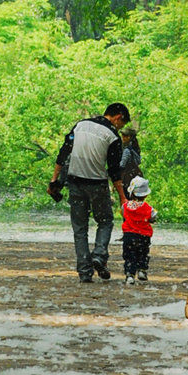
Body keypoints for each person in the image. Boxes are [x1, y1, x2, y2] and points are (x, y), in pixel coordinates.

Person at [48, 102, 131, 282]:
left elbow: (63, 153)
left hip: (75, 182)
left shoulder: (80, 125)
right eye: (122, 124)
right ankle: (99, 255)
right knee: (106, 221)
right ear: (118, 117)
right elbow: (114, 171)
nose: (120, 127)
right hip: (97, 185)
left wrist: (54, 180)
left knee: (80, 228)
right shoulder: (113, 137)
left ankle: (85, 272)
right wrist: (123, 197)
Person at [121, 176, 157, 285]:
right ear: (145, 194)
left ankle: (130, 275)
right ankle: (142, 270)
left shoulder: (125, 206)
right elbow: (154, 216)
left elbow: (123, 214)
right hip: (143, 236)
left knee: (129, 255)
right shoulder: (148, 208)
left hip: (128, 235)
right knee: (143, 253)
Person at [120, 127, 142, 193]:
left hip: (127, 179)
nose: (123, 137)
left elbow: (122, 165)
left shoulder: (127, 150)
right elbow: (138, 162)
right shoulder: (135, 149)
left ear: (129, 137)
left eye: (125, 136)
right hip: (135, 178)